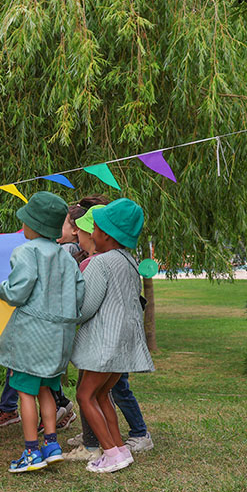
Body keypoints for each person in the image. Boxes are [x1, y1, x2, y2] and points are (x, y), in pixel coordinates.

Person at [0, 191, 85, 473]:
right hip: (59, 336)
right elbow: (79, 293)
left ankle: (31, 451)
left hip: (32, 334)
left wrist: (0, 291)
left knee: (25, 392)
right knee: (46, 389)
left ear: (34, 225)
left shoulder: (26, 251)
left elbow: (19, 290)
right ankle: (52, 444)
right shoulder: (67, 257)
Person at [71, 198, 155, 473]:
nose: (92, 233)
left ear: (106, 235)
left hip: (105, 343)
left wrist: (68, 313)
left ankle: (110, 452)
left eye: (95, 228)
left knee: (85, 395)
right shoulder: (128, 262)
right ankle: (119, 447)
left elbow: (86, 307)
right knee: (102, 394)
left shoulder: (100, 263)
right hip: (124, 342)